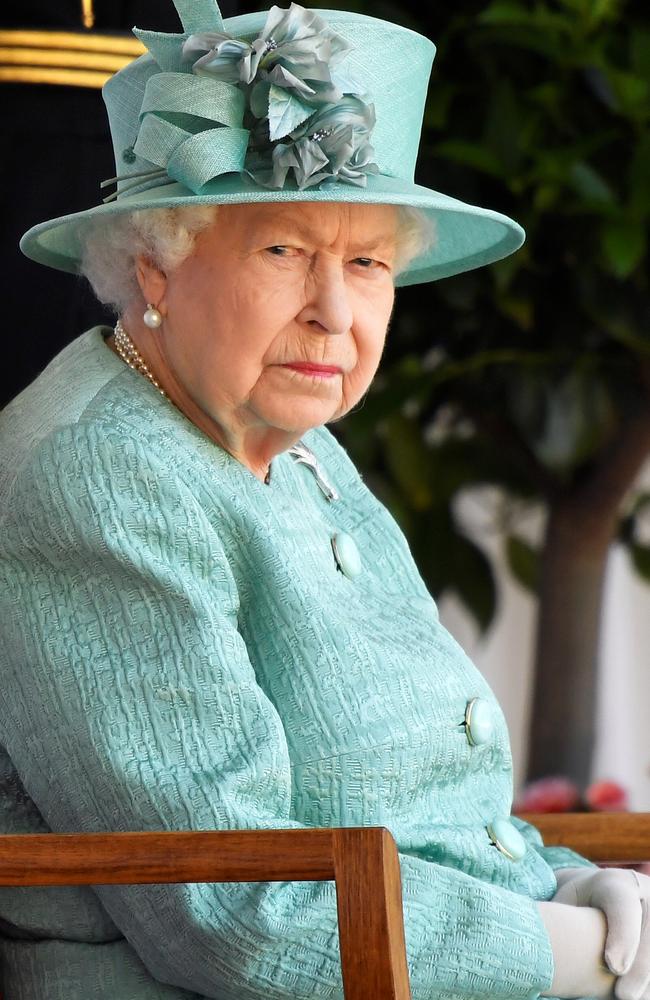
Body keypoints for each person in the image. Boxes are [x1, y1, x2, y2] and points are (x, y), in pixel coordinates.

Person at [1, 1, 649, 998]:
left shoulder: (292, 438)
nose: (333, 313)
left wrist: (571, 883)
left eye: (366, 261)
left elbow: (431, 790)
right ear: (153, 266)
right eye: (282, 251)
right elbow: (233, 916)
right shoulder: (94, 477)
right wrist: (568, 958)